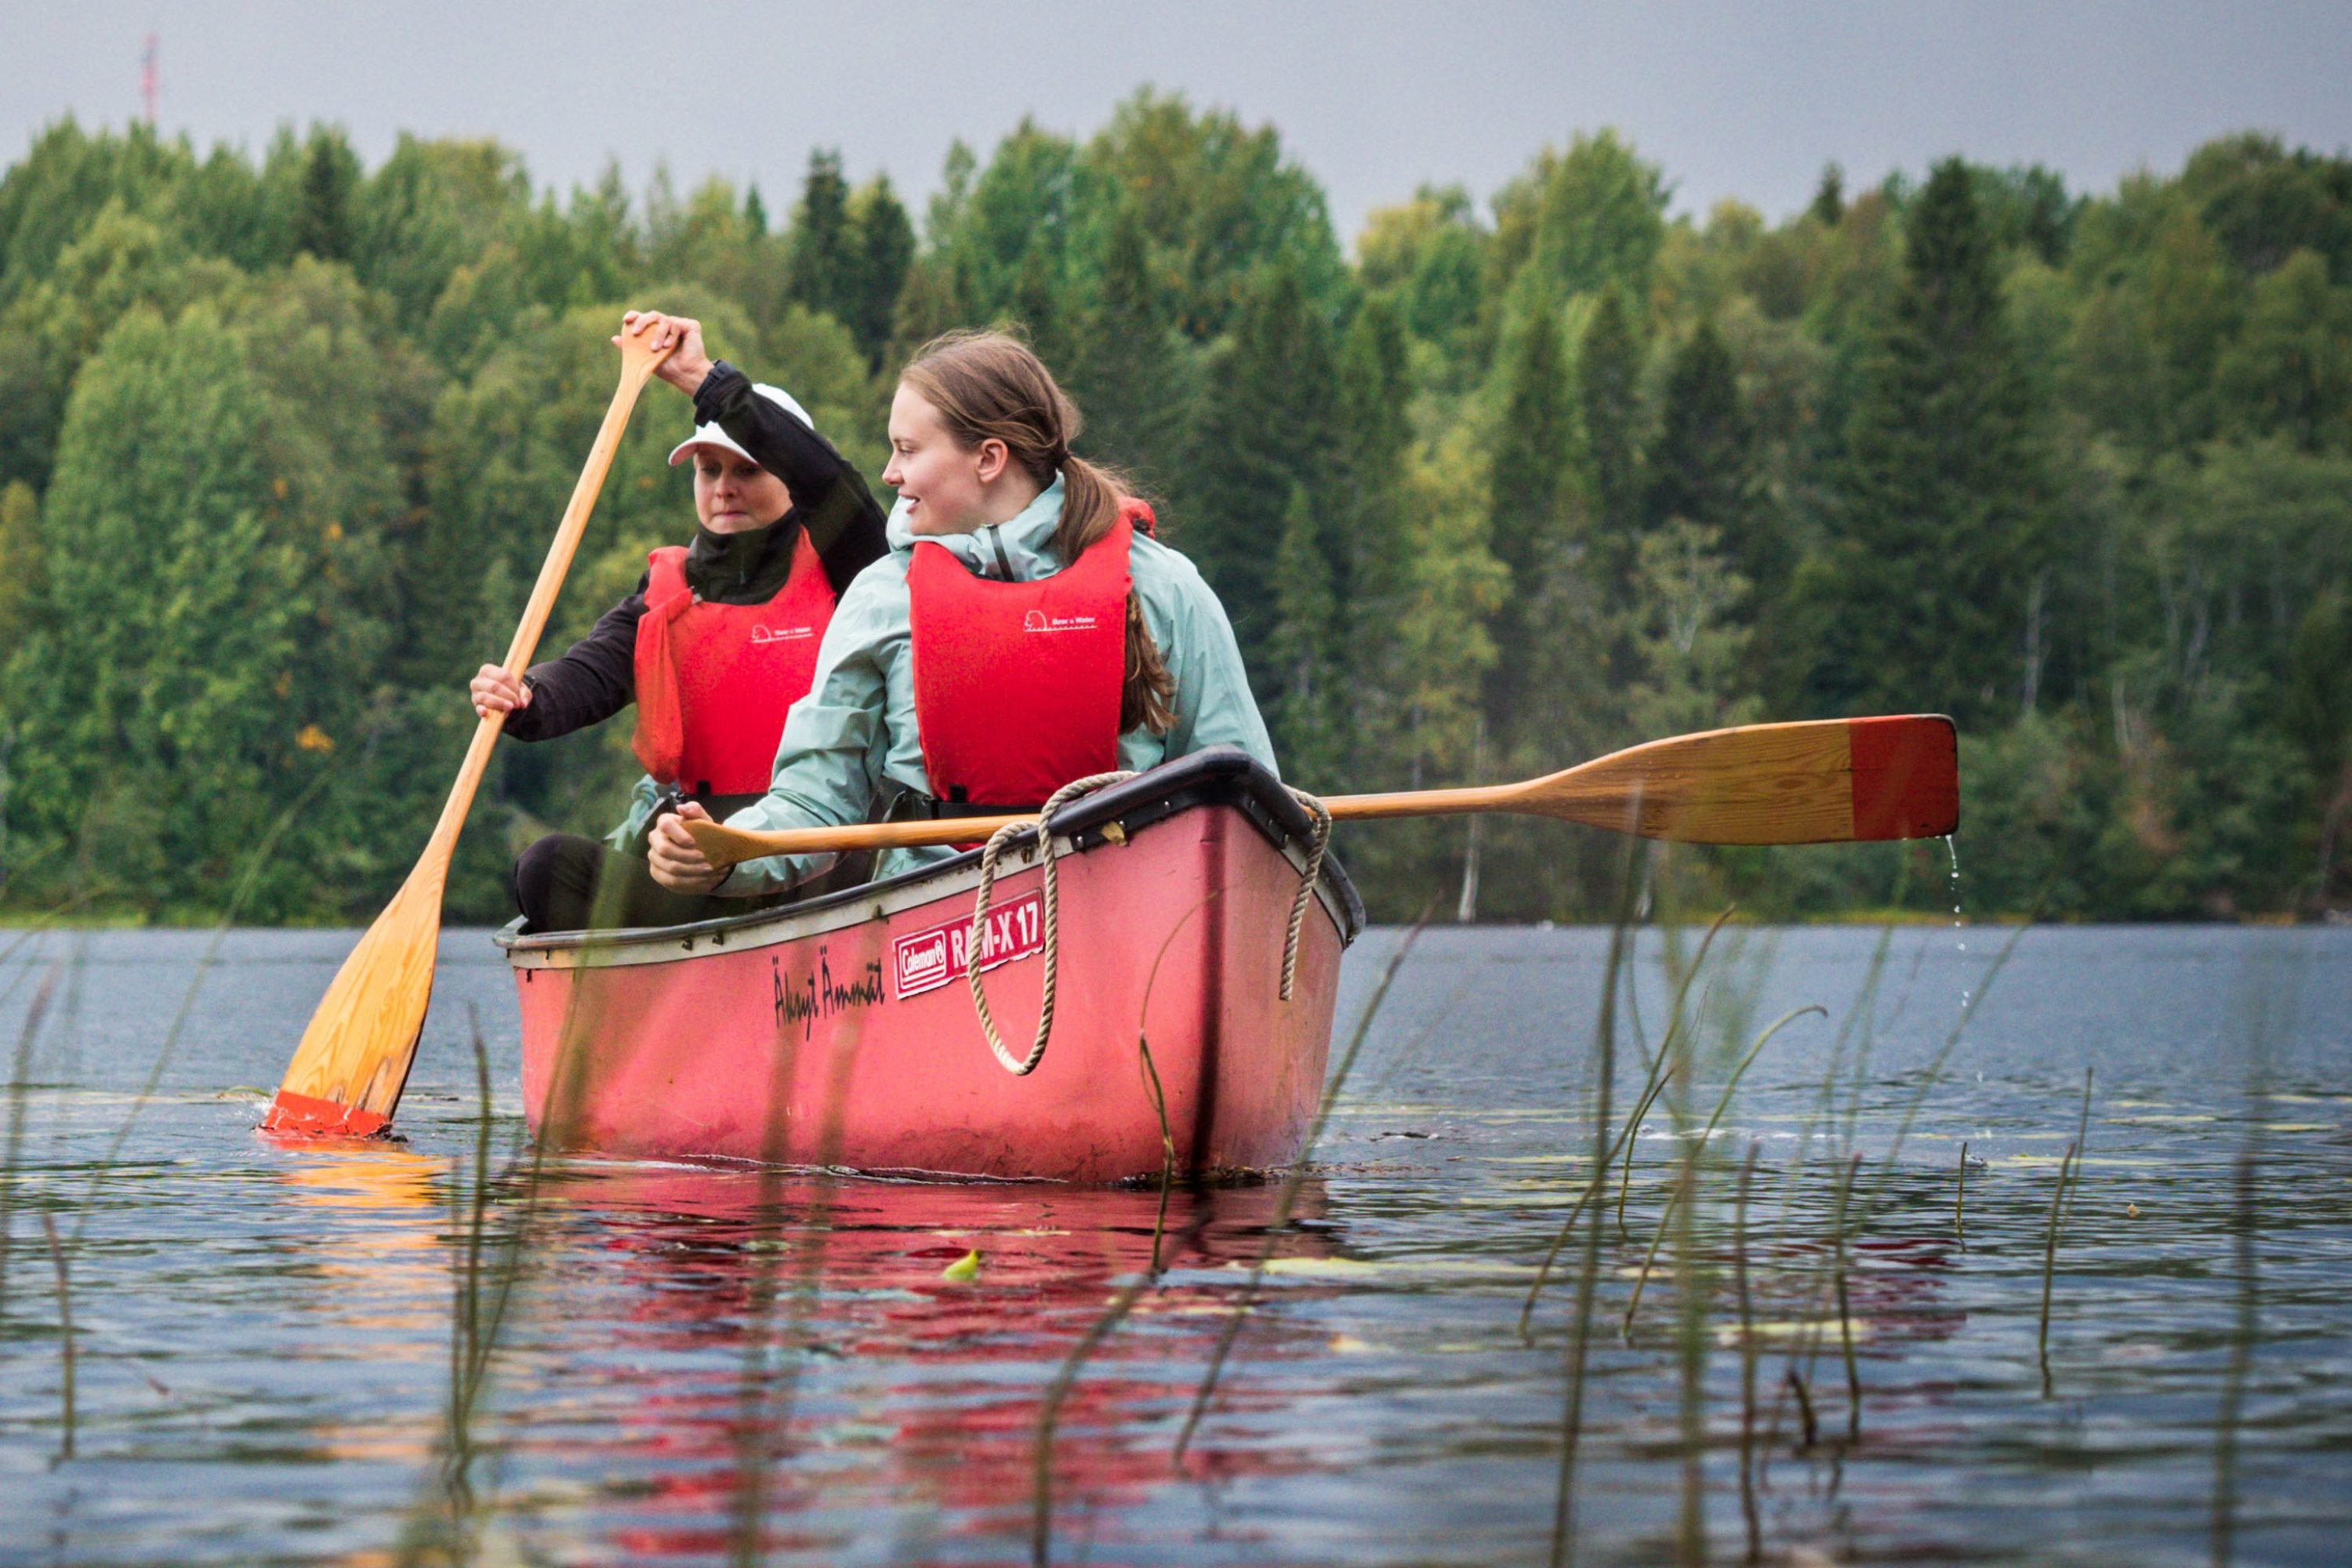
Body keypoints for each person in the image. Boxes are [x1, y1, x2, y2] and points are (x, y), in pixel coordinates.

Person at [643, 328, 1274, 898]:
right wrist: (727, 854)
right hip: (936, 917)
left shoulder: (1164, 586)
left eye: (908, 450)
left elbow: (1246, 795)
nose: (889, 473)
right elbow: (815, 804)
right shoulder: (883, 598)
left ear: (988, 459)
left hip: (1130, 902)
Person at [470, 310, 889, 930]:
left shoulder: (853, 567)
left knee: (851, 867)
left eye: (748, 469)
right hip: (694, 856)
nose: (724, 488)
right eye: (709, 470)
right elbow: (591, 670)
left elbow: (830, 484)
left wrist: (706, 382)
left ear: (790, 477)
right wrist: (525, 696)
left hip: (817, 856)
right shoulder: (666, 591)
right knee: (544, 870)